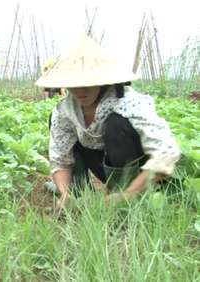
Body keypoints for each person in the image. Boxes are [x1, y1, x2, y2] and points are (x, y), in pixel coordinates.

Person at [36, 35, 181, 209]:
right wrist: (64, 192)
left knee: (116, 124)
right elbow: (60, 159)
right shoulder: (66, 110)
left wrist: (127, 195)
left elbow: (166, 153)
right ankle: (77, 193)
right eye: (74, 84)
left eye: (88, 83)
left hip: (143, 171)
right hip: (105, 164)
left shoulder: (128, 102)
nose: (81, 90)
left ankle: (126, 196)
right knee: (60, 122)